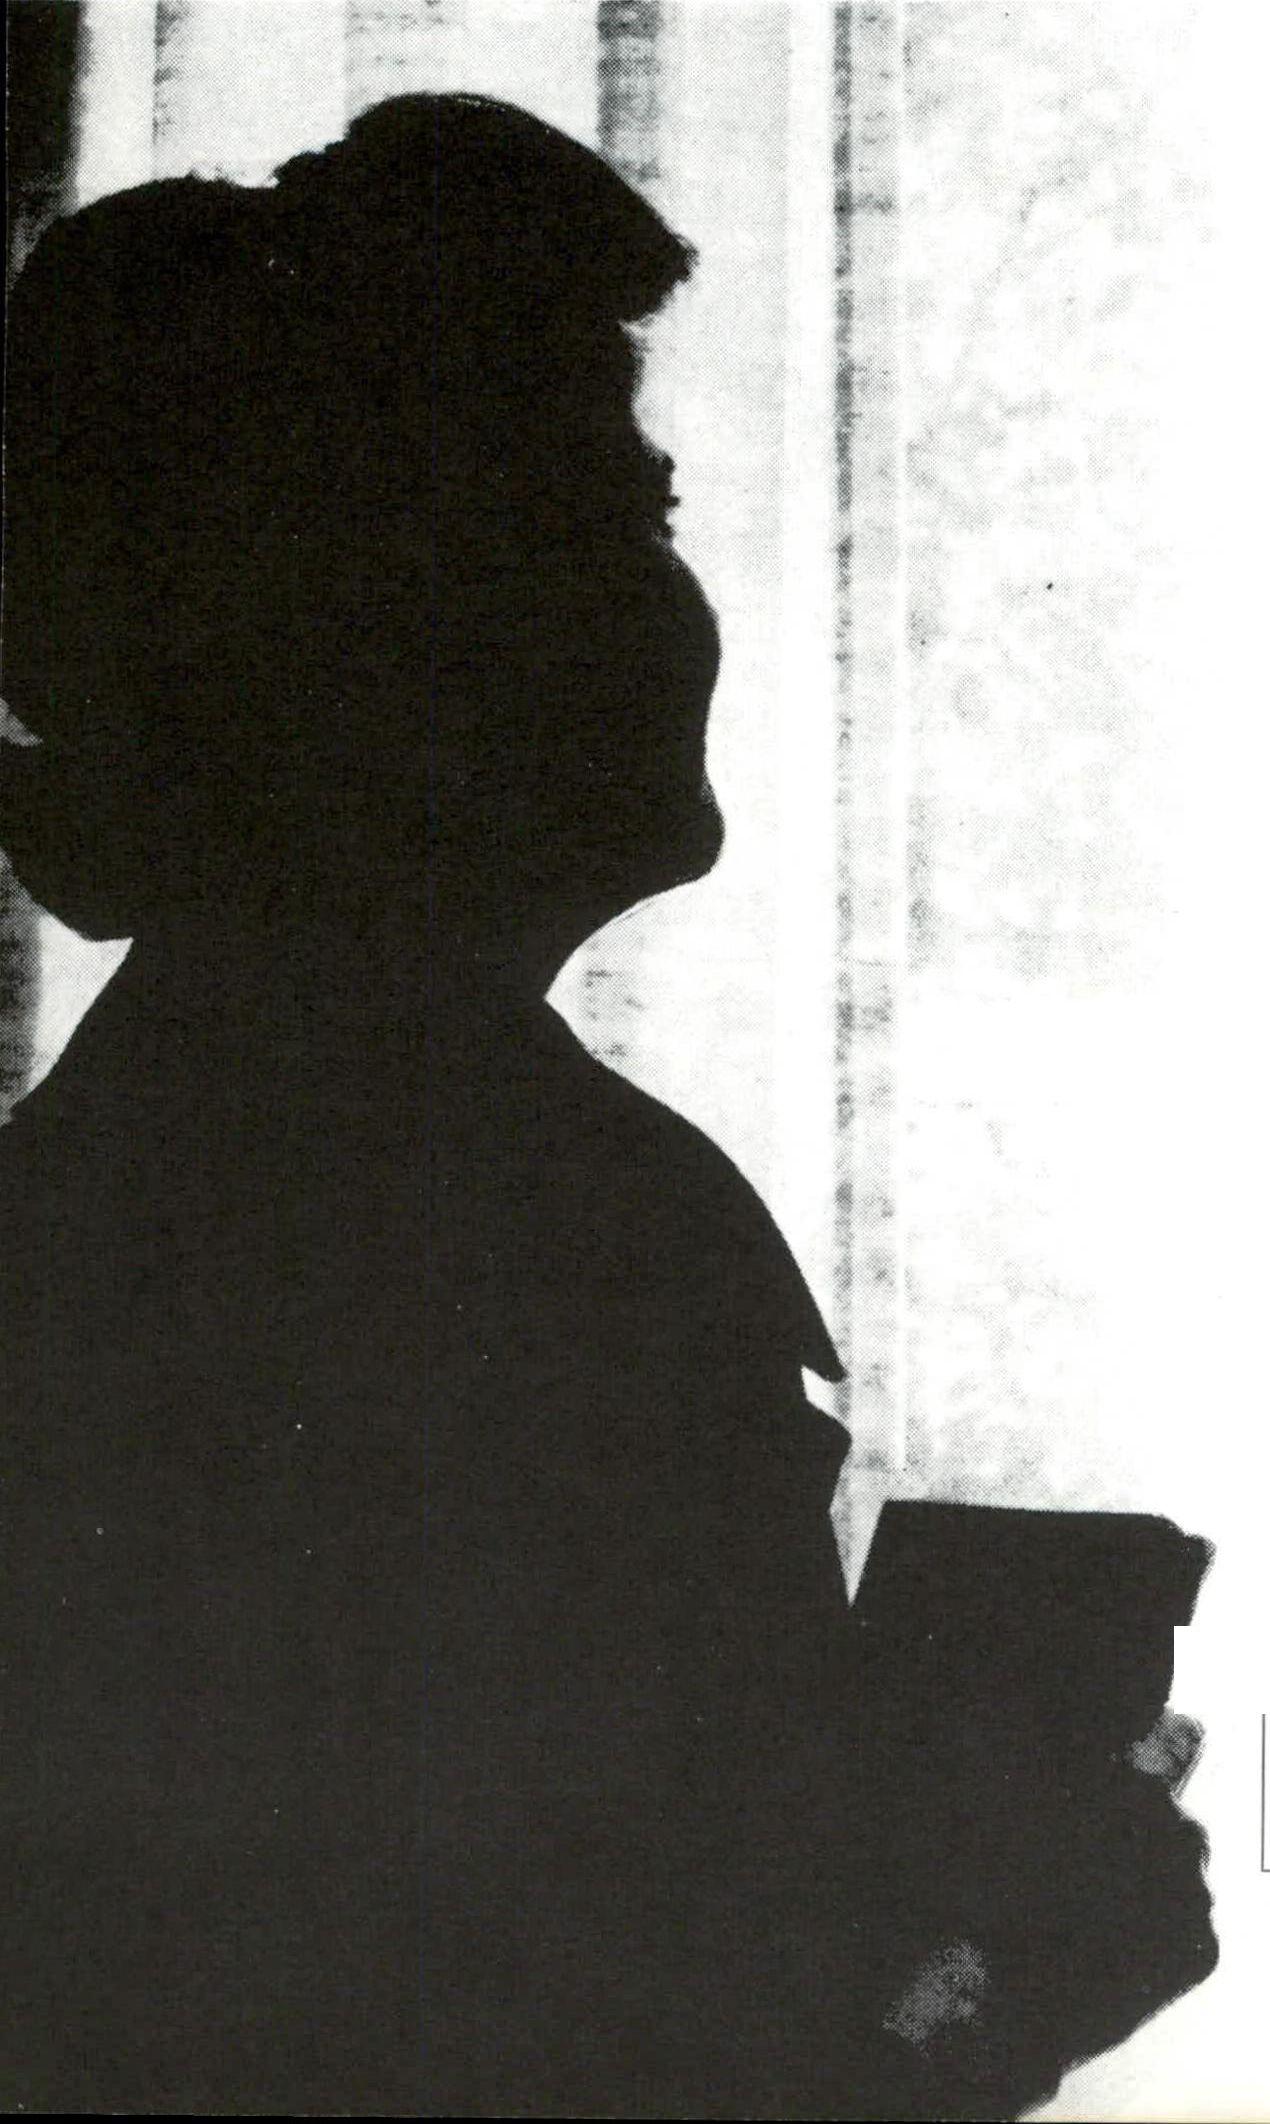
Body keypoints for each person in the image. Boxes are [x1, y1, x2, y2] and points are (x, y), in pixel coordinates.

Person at [0, 93, 1214, 2117]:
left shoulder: (252, 1159)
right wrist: (1001, 1971)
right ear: (389, 628)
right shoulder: (479, 1224)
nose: (683, 608)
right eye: (620, 519)